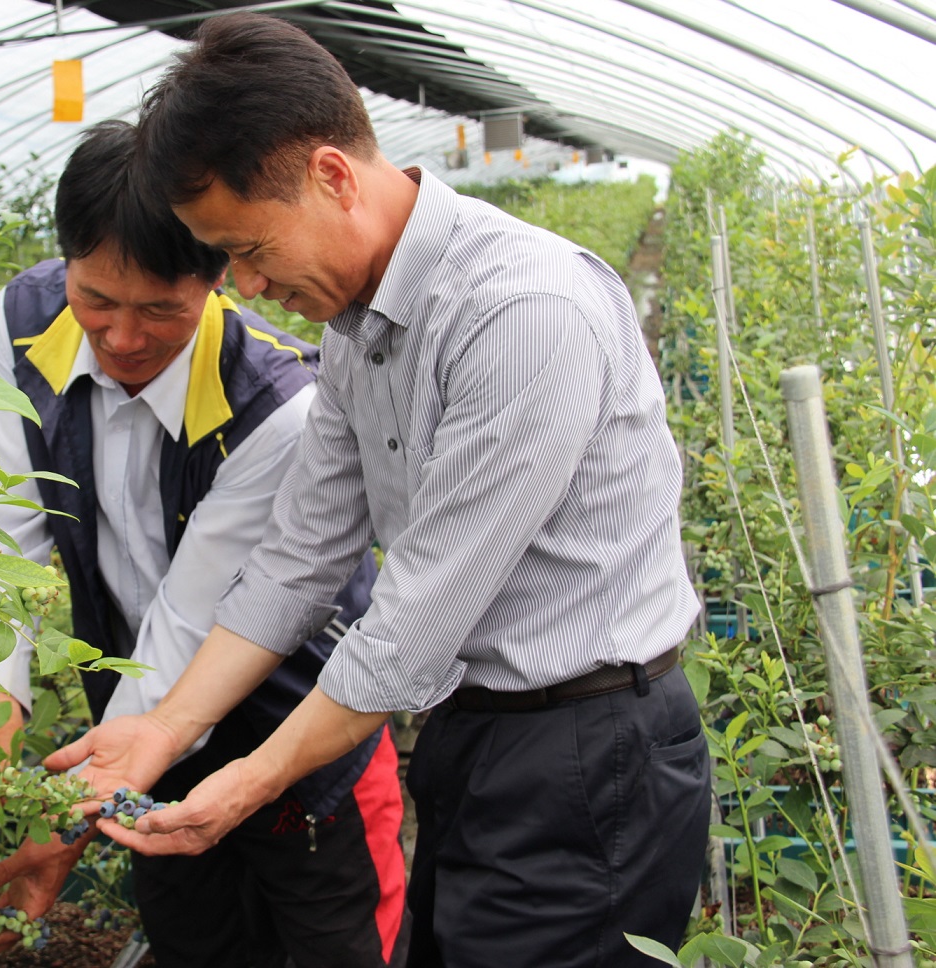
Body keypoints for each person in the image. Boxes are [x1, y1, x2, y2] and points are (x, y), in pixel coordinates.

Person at [47, 14, 711, 968]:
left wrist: (243, 782)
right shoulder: (360, 325)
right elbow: (298, 559)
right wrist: (162, 729)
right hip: (475, 739)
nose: (244, 284)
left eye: (247, 247)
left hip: (588, 756)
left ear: (330, 175)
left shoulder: (519, 313)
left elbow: (408, 629)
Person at [0, 119, 409, 968]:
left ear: (221, 277)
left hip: (296, 735)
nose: (124, 335)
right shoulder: (24, 324)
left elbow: (191, 617)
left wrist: (69, 812)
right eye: (97, 299)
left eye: (160, 310)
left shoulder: (275, 405)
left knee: (343, 944)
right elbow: (1, 520)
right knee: (196, 942)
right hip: (144, 736)